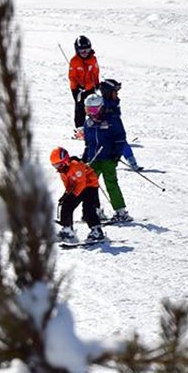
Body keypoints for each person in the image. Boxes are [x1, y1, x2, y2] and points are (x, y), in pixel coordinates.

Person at [83, 84, 131, 224]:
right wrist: (85, 156)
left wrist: (116, 154)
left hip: (108, 158)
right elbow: (88, 142)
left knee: (111, 183)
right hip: (94, 158)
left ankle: (120, 211)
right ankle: (94, 210)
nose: (91, 113)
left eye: (93, 109)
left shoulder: (112, 119)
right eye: (88, 110)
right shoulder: (88, 123)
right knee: (89, 185)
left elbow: (120, 137)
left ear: (101, 107)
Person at [50, 147, 106, 244]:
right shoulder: (63, 171)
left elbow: (81, 183)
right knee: (66, 204)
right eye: (55, 166)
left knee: (88, 209)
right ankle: (67, 229)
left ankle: (97, 230)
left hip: (90, 186)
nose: (57, 168)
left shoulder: (76, 165)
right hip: (78, 187)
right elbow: (68, 185)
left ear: (65, 160)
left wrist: (73, 194)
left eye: (59, 164)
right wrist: (66, 195)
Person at [67, 35, 99, 140]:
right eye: (82, 51)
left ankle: (93, 127)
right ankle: (80, 129)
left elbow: (95, 72)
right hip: (77, 89)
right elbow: (71, 76)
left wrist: (97, 83)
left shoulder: (93, 59)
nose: (85, 53)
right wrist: (78, 86)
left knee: (92, 106)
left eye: (87, 49)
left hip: (90, 87)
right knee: (80, 107)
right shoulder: (74, 61)